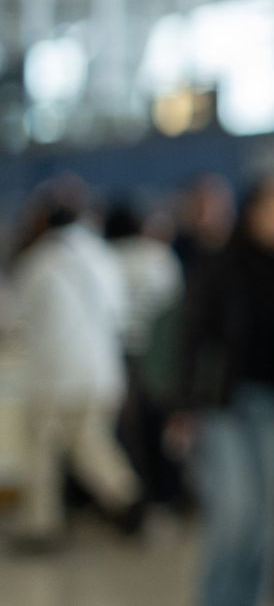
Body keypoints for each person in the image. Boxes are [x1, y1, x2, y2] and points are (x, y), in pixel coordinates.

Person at [173, 176, 274, 606]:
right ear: (253, 214)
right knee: (233, 516)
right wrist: (183, 406)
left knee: (268, 528)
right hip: (225, 404)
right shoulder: (221, 266)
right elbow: (192, 337)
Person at [8, 180, 140, 548]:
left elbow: (14, 316)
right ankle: (129, 500)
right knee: (91, 443)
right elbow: (120, 313)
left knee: (42, 449)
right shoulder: (103, 256)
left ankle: (41, 527)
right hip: (103, 373)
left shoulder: (39, 260)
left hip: (55, 376)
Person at [104, 198, 187, 514]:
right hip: (161, 354)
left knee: (128, 431)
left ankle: (139, 493)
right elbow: (177, 306)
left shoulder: (108, 258)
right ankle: (169, 495)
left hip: (122, 354)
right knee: (162, 426)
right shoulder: (159, 255)